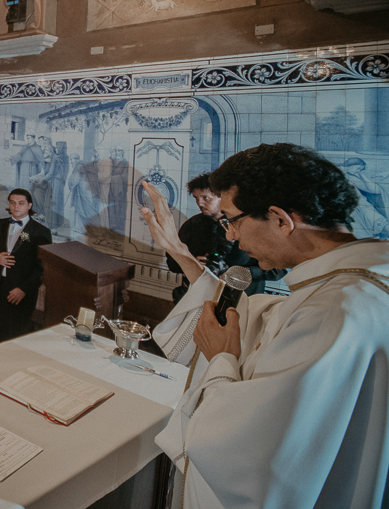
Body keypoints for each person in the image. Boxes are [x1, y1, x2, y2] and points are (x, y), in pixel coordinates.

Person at [144, 143, 389, 509]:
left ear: (280, 219)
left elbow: (251, 454)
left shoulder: (334, 309)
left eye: (231, 220)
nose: (229, 236)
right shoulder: (358, 282)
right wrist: (180, 252)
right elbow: (262, 318)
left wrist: (223, 358)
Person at [167, 172, 286, 302]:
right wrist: (191, 262)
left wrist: (238, 273)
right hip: (200, 300)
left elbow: (278, 270)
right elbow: (172, 263)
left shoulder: (251, 226)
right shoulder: (191, 226)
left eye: (206, 198)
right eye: (196, 198)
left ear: (222, 198)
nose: (199, 203)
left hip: (241, 302)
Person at [0, 188, 51, 340]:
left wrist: (23, 289)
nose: (16, 206)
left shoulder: (41, 232)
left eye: (21, 203)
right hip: (1, 286)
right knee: (3, 332)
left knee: (18, 335)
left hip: (22, 291)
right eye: (12, 202)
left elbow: (42, 269)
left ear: (29, 205)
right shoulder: (0, 224)